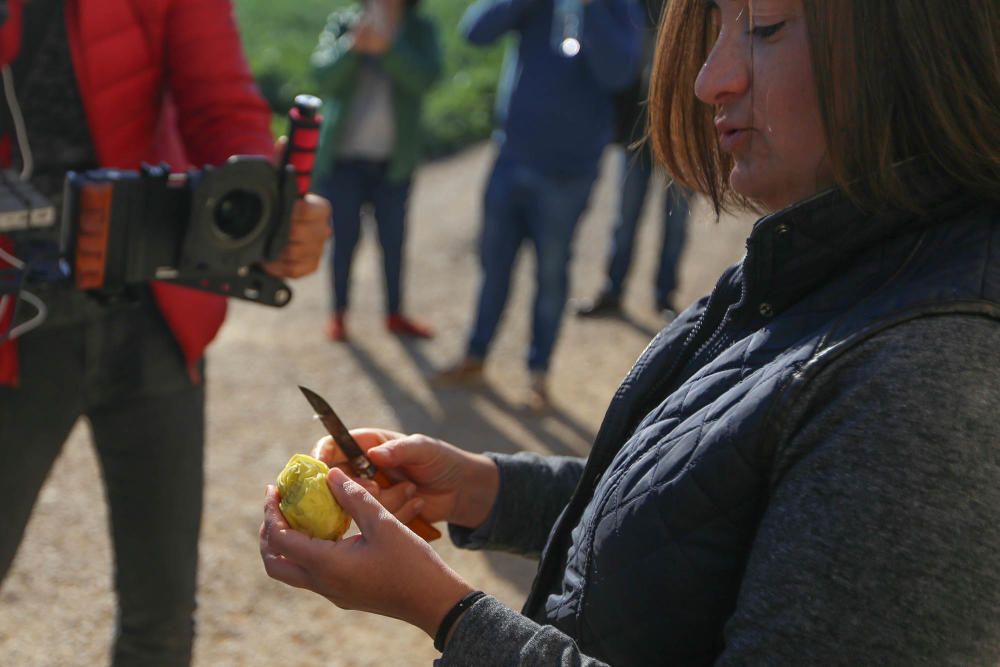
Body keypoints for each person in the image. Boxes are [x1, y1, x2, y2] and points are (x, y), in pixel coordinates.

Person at [260, 0, 1000, 664]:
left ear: (911, 37)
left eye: (765, 26)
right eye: (713, 30)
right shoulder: (822, 266)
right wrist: (485, 488)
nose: (710, 79)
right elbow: (687, 509)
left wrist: (446, 613)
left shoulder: (922, 384)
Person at [0, 1, 330, 665]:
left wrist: (255, 205)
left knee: (161, 616)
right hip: (13, 328)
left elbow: (219, 103)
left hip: (153, 311)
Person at [434, 0, 642, 409]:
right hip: (511, 158)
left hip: (569, 173)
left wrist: (590, 9)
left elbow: (618, 74)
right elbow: (475, 32)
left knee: (551, 276)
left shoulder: (618, 6)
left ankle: (538, 374)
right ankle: (475, 356)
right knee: (493, 267)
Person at [311, 0, 442, 343]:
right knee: (343, 242)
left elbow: (426, 79)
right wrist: (353, 48)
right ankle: (338, 314)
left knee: (393, 242)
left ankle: (394, 313)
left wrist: (389, 49)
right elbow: (323, 77)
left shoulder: (419, 30)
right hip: (343, 161)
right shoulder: (344, 24)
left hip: (393, 162)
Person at [574, 0, 692, 319]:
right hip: (636, 132)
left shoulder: (692, 10)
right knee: (625, 217)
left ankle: (664, 296)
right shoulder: (628, 7)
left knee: (675, 221)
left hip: (681, 133)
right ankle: (613, 292)